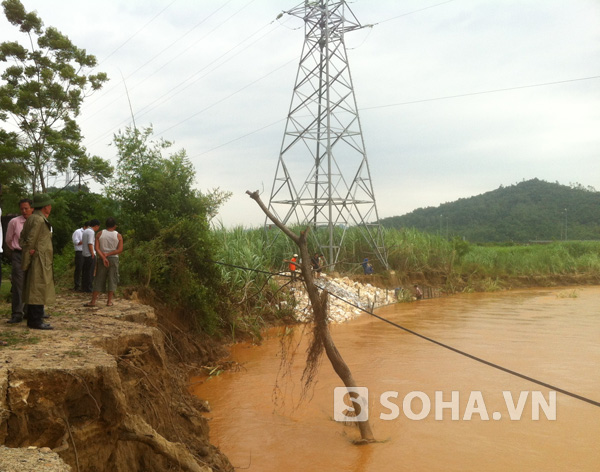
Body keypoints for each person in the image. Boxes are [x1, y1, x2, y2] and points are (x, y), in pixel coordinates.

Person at [19, 193, 55, 330]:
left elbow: (22, 239)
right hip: (38, 259)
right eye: (49, 205)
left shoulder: (34, 218)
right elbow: (29, 241)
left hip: (41, 258)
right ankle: (35, 320)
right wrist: (28, 258)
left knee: (38, 288)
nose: (50, 207)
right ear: (46, 206)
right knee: (37, 288)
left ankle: (36, 318)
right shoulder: (38, 220)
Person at [5, 198, 34, 324]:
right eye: (22, 208)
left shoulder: (37, 221)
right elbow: (8, 240)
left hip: (34, 255)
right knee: (18, 284)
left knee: (32, 283)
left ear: (32, 208)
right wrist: (16, 250)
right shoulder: (14, 222)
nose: (24, 211)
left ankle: (31, 311)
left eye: (26, 208)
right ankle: (17, 313)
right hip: (18, 254)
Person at [84, 218, 123, 307]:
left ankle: (93, 301)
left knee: (99, 278)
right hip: (113, 259)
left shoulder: (99, 234)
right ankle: (109, 301)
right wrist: (109, 254)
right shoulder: (118, 235)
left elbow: (96, 248)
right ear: (114, 226)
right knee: (112, 279)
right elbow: (120, 250)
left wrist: (103, 257)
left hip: (102, 259)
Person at [82, 219, 100, 292]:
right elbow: (90, 243)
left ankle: (84, 286)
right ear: (96, 226)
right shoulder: (91, 232)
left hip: (85, 254)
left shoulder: (85, 231)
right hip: (90, 254)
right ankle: (89, 287)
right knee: (90, 272)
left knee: (85, 271)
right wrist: (92, 253)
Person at [72, 221, 88, 291]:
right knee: (79, 269)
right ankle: (77, 285)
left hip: (87, 252)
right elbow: (76, 242)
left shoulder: (89, 233)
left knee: (86, 269)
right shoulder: (78, 232)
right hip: (79, 251)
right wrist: (85, 241)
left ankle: (84, 285)